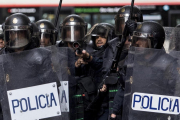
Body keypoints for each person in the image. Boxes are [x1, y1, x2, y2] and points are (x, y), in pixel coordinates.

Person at [110, 21, 178, 120]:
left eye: (142, 40)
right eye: (136, 39)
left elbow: (175, 95)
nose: (137, 43)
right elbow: (124, 88)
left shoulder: (168, 64)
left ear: (155, 42)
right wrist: (114, 112)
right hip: (132, 115)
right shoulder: (131, 60)